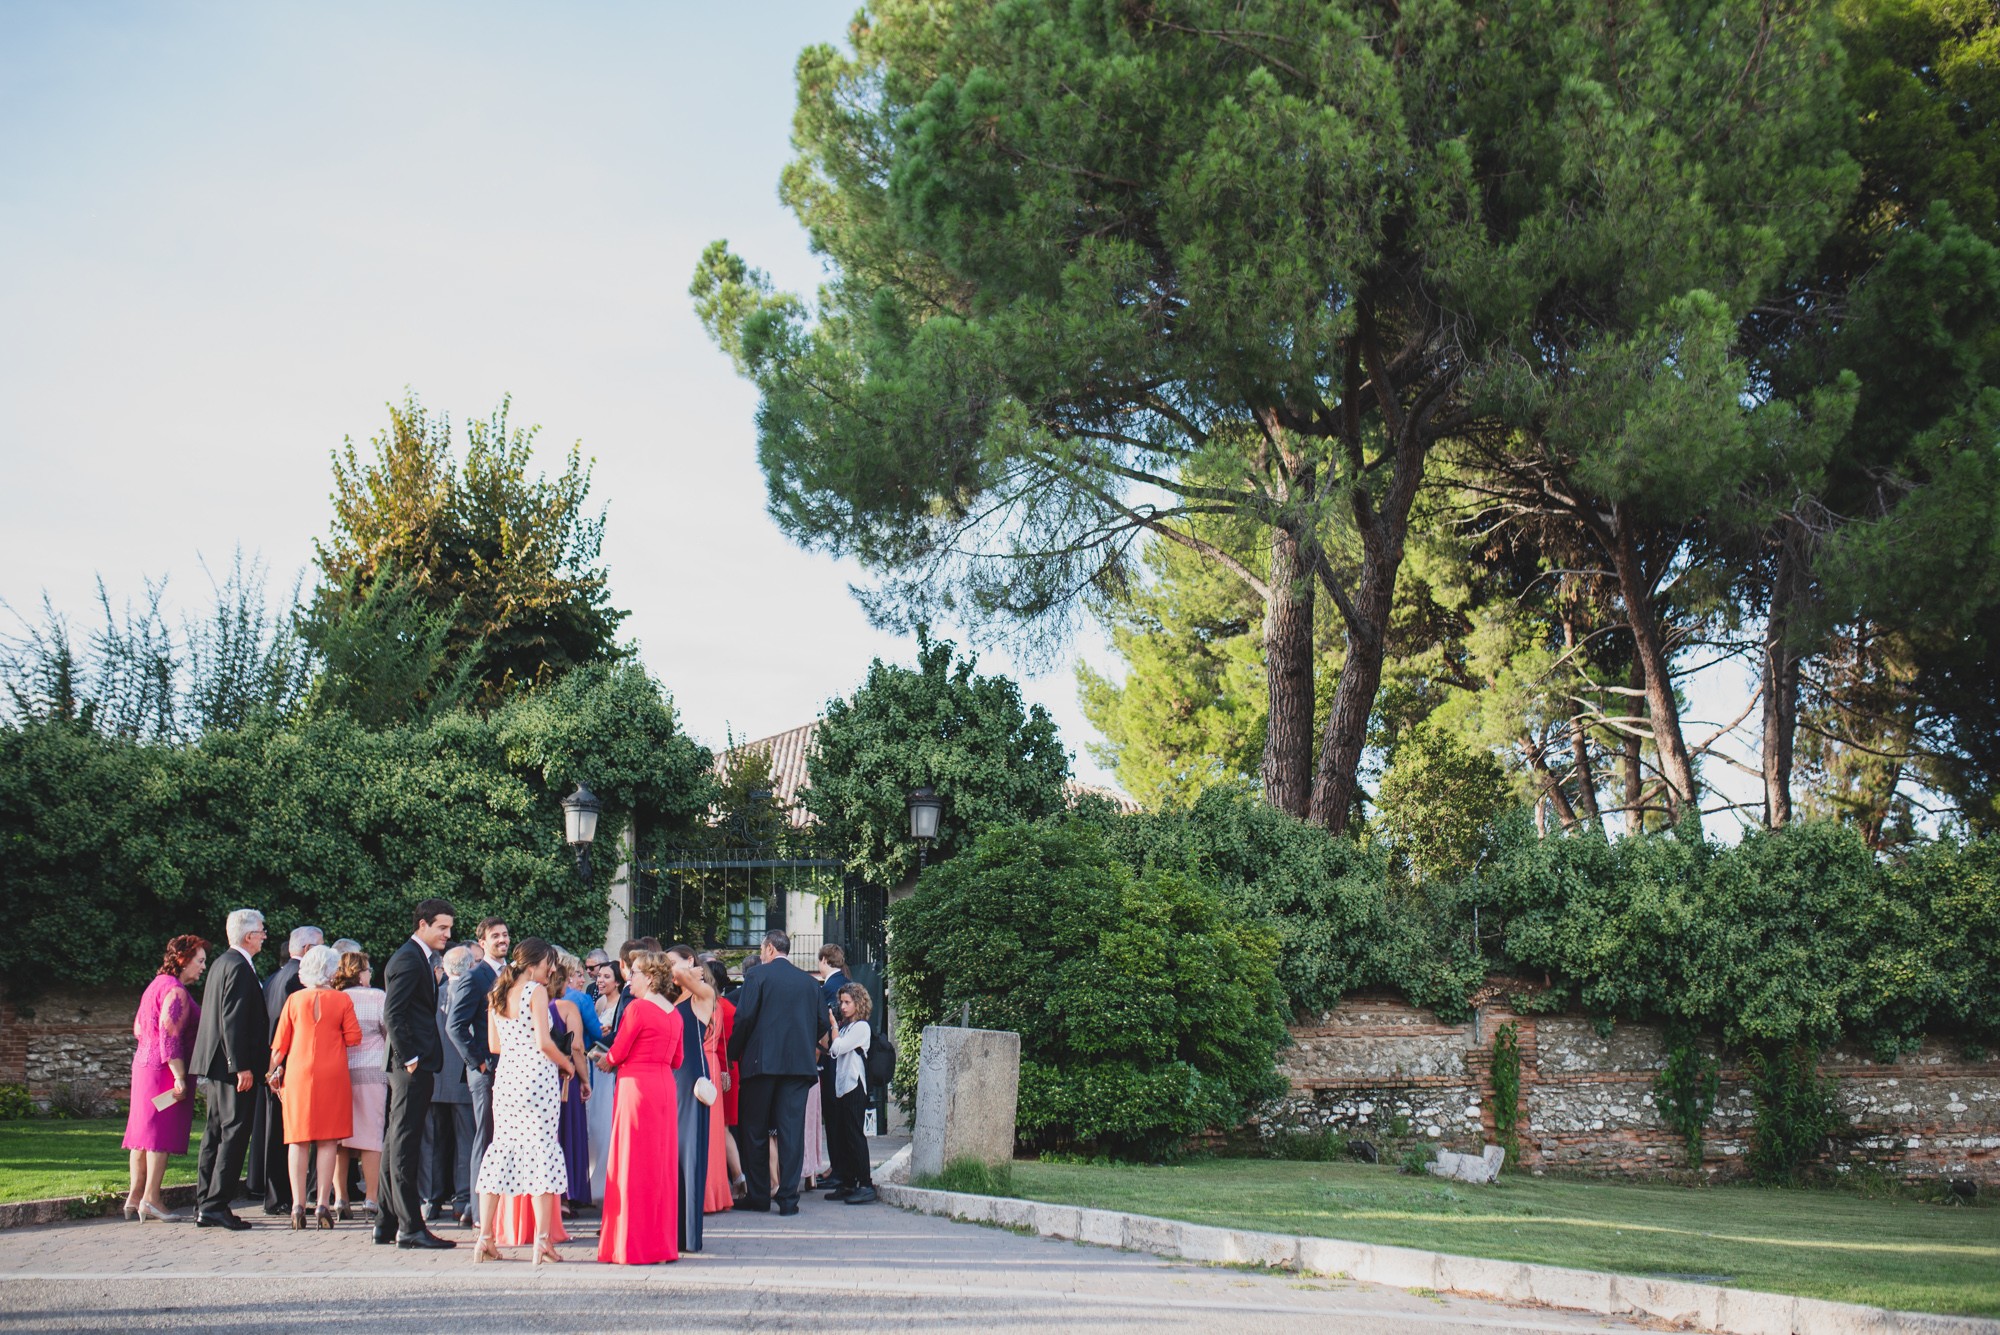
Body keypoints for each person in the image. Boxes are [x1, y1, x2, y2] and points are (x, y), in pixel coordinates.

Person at [470, 938, 574, 1266]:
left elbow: (493, 1044)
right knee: (542, 1152)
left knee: (502, 1149)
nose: (552, 969)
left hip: (508, 1078)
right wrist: (567, 1064)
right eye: (548, 963)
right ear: (533, 965)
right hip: (537, 1078)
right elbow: (544, 1041)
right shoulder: (535, 991)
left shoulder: (498, 994)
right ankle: (541, 1241)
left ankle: (485, 1237)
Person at [726, 929, 828, 1216]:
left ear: (770, 948)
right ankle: (788, 1199)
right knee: (791, 1132)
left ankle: (759, 1195)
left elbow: (744, 1017)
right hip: (798, 1067)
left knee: (755, 1129)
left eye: (761, 950)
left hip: (761, 1064)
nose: (760, 954)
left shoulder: (757, 976)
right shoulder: (809, 984)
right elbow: (822, 1023)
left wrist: (734, 1053)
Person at [376, 898, 457, 1250]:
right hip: (411, 1064)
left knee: (396, 1140)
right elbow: (392, 1013)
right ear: (422, 924)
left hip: (413, 1062)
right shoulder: (409, 958)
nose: (447, 934)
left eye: (449, 928)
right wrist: (409, 1056)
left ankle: (386, 1221)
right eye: (441, 927)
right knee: (405, 1145)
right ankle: (410, 1226)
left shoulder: (419, 958)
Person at [596, 951, 684, 1265]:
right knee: (659, 1166)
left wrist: (604, 1061)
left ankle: (630, 1245)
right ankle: (659, 1245)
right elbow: (678, 1060)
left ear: (649, 977)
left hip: (636, 1089)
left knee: (631, 1165)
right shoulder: (674, 1013)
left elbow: (617, 1052)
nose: (628, 978)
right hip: (663, 1089)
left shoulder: (638, 1009)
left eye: (633, 972)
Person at [269, 944, 360, 1229]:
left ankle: (298, 1204)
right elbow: (354, 1037)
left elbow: (279, 1044)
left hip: (298, 1071)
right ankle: (322, 1202)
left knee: (297, 1139)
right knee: (328, 1140)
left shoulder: (294, 1000)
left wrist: (272, 1072)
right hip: (332, 1072)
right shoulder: (342, 1000)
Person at [191, 908, 268, 1230]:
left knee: (214, 1133)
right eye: (262, 930)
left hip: (216, 1062)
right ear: (249, 936)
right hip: (231, 1066)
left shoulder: (223, 963)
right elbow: (232, 1019)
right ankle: (216, 1204)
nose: (265, 935)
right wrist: (241, 1067)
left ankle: (205, 1200)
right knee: (234, 1132)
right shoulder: (238, 966)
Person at [121, 934, 207, 1222]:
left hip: (143, 1065)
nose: (203, 967)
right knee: (158, 1136)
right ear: (183, 960)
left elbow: (137, 1028)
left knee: (141, 1136)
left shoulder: (154, 986)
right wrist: (180, 1076)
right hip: (164, 1070)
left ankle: (134, 1197)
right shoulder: (176, 990)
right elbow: (170, 1036)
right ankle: (152, 1199)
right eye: (200, 961)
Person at [446, 916, 508, 1228]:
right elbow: (455, 1026)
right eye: (495, 936)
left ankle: (504, 1211)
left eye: (505, 934)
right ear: (482, 943)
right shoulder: (475, 977)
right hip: (485, 1072)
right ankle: (478, 1212)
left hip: (511, 1071)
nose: (502, 939)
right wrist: (478, 1061)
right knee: (484, 1140)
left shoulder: (512, 975)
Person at [254, 925, 320, 1213]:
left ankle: (274, 1193)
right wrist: (279, 1067)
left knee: (275, 1132)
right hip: (287, 1065)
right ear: (306, 950)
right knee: (287, 1134)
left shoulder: (274, 977)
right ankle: (280, 1195)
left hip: (274, 1062)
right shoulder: (297, 979)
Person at [664, 945, 716, 1250]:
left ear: (690, 962)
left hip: (691, 1076)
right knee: (670, 1153)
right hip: (668, 1076)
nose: (669, 968)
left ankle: (689, 1234)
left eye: (674, 962)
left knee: (690, 1152)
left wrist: (684, 973)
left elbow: (672, 974)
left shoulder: (702, 994)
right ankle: (670, 1229)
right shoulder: (669, 997)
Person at [331, 950, 387, 1220]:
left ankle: (340, 1197)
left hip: (340, 1072)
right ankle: (371, 1198)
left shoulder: (336, 998)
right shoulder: (377, 996)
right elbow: (388, 1029)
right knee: (371, 1136)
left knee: (340, 1139)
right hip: (372, 1070)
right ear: (361, 972)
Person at [428, 945, 475, 1222]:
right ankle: (463, 1199)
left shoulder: (434, 992)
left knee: (431, 1140)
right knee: (466, 1139)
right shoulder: (472, 991)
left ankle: (429, 1201)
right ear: (470, 967)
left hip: (435, 1072)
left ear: (445, 969)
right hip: (463, 1073)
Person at [825, 983, 878, 1205]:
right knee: (844, 1136)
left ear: (859, 1003)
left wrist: (834, 1027)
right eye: (841, 1002)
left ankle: (865, 1183)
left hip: (855, 1086)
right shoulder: (847, 1027)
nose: (843, 1007)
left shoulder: (861, 1027)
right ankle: (848, 1182)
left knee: (855, 1135)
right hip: (842, 1086)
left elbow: (837, 1048)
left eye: (848, 1002)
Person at [551, 951, 595, 1210]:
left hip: (543, 1076)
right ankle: (568, 1194)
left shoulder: (537, 1006)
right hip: (567, 1077)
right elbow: (577, 1047)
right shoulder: (569, 1006)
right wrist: (585, 1079)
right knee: (568, 1133)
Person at [700, 957, 743, 1210]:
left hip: (719, 1069)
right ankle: (734, 1177)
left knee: (721, 1128)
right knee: (723, 1127)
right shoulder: (727, 1006)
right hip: (727, 1069)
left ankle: (737, 1176)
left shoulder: (713, 1006)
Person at [814, 944, 851, 1193]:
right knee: (839, 1117)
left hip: (832, 1058)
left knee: (834, 1115)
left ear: (824, 960)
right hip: (844, 1057)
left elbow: (823, 1023)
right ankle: (837, 1168)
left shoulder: (828, 988)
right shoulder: (847, 982)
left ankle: (838, 1169)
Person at [586, 954, 622, 1197]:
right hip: (595, 1067)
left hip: (610, 1068)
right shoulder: (597, 1004)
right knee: (594, 1123)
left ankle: (605, 1182)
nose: (600, 981)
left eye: (606, 977)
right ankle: (592, 1180)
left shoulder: (622, 1004)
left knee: (605, 1123)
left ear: (617, 982)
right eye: (599, 976)